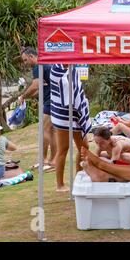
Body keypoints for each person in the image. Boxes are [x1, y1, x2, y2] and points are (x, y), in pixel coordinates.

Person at [50, 64, 91, 192]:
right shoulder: (56, 69)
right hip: (62, 114)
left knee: (84, 147)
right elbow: (67, 88)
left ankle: (79, 177)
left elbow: (76, 88)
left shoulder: (72, 67)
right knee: (63, 149)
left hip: (76, 113)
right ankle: (60, 185)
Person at [20, 47, 55, 171]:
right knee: (50, 131)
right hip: (53, 100)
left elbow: (35, 86)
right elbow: (41, 88)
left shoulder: (38, 66)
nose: (25, 63)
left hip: (51, 102)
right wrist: (29, 97)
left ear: (31, 56)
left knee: (45, 130)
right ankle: (50, 161)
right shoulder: (46, 63)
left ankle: (47, 160)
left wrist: (23, 96)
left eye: (25, 60)